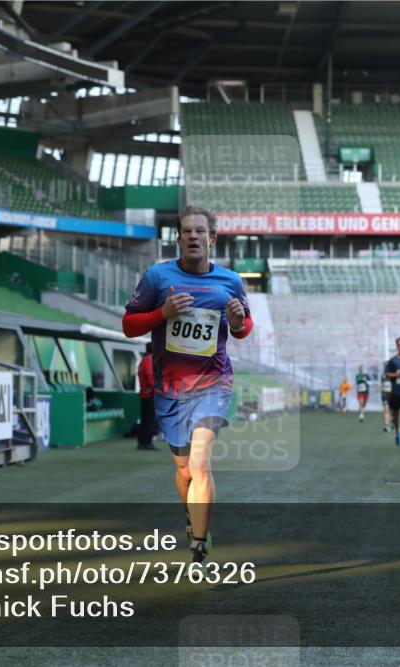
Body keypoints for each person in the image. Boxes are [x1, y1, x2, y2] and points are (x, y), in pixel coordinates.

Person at [122, 205, 252, 564]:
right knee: (183, 470)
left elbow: (243, 328)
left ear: (212, 239)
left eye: (200, 231)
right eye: (186, 231)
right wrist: (161, 315)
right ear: (178, 238)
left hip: (214, 383)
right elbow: (129, 325)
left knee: (200, 462)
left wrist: (238, 322)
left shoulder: (231, 282)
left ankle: (198, 544)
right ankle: (191, 516)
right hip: (170, 389)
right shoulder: (157, 278)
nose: (193, 236)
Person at [136, 343, 159, 451]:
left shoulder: (142, 360)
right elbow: (150, 377)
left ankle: (141, 442)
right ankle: (147, 442)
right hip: (149, 394)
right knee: (149, 420)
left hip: (143, 394)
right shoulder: (149, 360)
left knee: (144, 420)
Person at [380, 364, 392, 432]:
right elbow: (382, 383)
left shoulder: (393, 374)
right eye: (385, 366)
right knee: (386, 409)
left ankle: (391, 421)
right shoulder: (383, 375)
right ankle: (386, 425)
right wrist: (380, 388)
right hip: (384, 394)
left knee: (391, 410)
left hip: (391, 394)